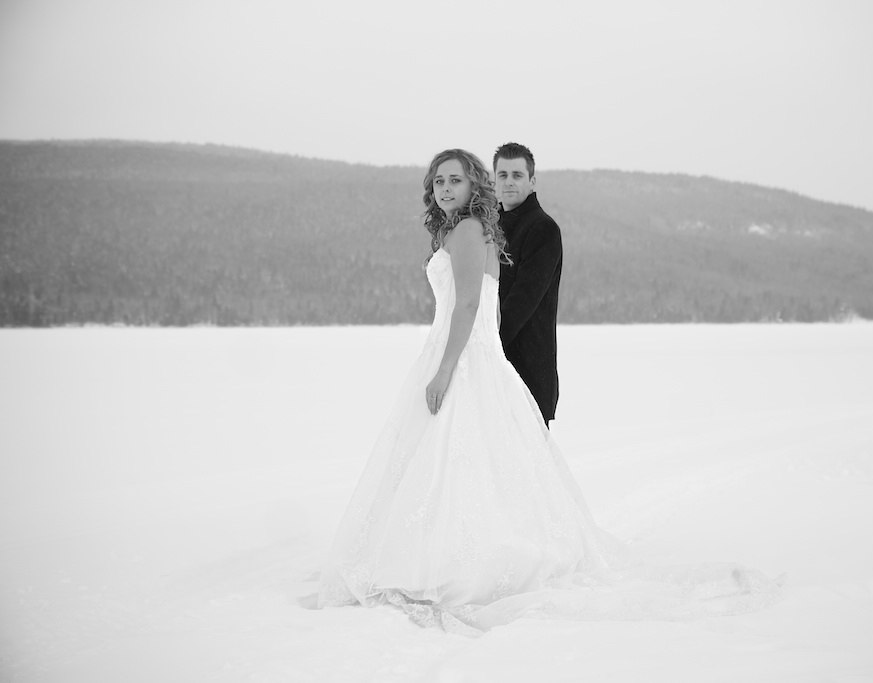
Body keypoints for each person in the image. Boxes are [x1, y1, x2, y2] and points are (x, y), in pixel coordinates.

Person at [313, 149, 780, 635]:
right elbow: (486, 308)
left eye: (456, 180)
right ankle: (444, 553)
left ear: (477, 186)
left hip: (462, 357)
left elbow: (471, 302)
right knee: (466, 466)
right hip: (472, 353)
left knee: (459, 461)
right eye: (438, 182)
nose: (446, 188)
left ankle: (454, 564)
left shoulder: (472, 231)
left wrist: (449, 365)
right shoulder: (470, 229)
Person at [493, 142, 562, 426]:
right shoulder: (488, 227)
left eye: (517, 175)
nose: (509, 182)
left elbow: (523, 301)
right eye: (503, 175)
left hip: (527, 370)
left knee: (527, 468)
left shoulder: (543, 228)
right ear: (493, 180)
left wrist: (487, 348)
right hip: (493, 367)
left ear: (532, 181)